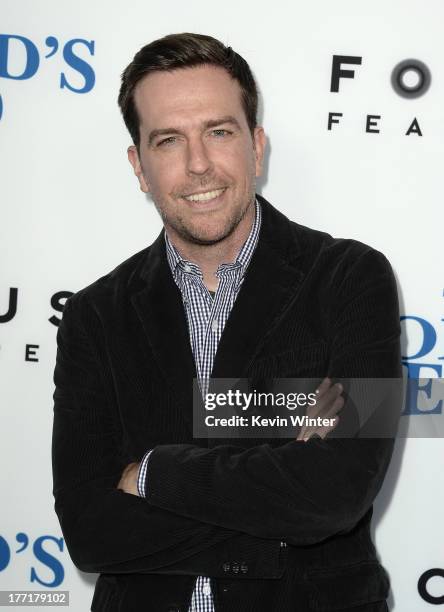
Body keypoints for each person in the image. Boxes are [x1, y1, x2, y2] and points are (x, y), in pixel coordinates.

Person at [51, 33, 402, 612]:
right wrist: (279, 495)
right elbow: (90, 532)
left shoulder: (351, 278)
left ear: (256, 147)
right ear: (139, 166)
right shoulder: (94, 316)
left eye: (219, 132)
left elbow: (337, 494)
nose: (198, 164)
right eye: (169, 141)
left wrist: (153, 474)